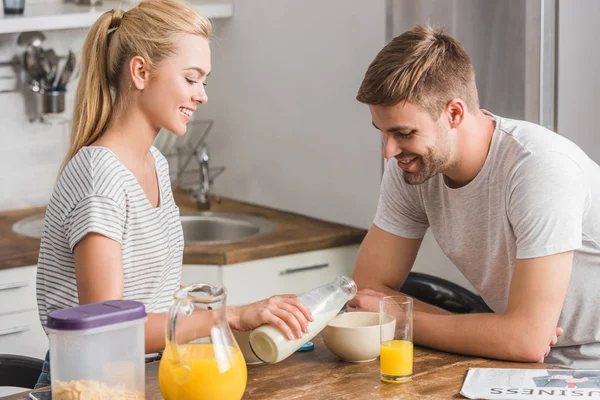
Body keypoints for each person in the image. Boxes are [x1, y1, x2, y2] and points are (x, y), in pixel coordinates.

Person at [35, 0, 311, 387]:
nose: (202, 95)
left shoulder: (155, 164)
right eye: (191, 78)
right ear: (141, 72)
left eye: (204, 80)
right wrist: (227, 316)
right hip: (91, 385)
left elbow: (150, 292)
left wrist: (208, 308)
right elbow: (107, 327)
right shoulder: (100, 174)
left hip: (146, 371)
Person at [346, 24, 600, 369]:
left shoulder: (539, 169)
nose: (389, 151)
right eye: (383, 132)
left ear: (454, 113)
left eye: (403, 133)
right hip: (520, 360)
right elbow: (367, 291)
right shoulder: (411, 167)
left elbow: (526, 341)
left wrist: (401, 319)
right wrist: (500, 333)